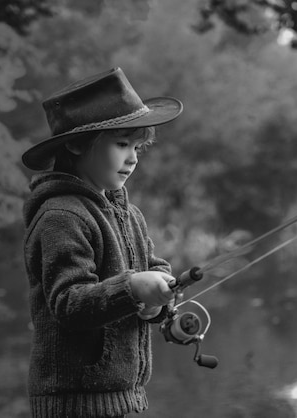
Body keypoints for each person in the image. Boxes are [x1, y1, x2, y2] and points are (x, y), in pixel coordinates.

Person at [21, 67, 183, 417]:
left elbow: (151, 268)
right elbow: (69, 302)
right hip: (74, 404)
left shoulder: (131, 214)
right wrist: (133, 288)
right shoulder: (61, 216)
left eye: (138, 147)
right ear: (78, 144)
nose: (134, 157)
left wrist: (156, 301)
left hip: (126, 398)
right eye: (122, 144)